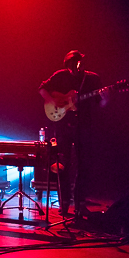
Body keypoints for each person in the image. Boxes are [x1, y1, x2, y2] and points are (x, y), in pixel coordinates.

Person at [39, 50, 108, 216]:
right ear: (67, 63)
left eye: (77, 62)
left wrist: (106, 98)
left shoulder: (91, 78)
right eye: (72, 62)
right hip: (63, 125)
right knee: (63, 164)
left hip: (83, 125)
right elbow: (42, 89)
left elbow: (101, 103)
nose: (75, 65)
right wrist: (53, 101)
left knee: (84, 165)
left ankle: (80, 203)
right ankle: (64, 203)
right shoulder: (60, 75)